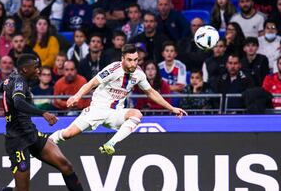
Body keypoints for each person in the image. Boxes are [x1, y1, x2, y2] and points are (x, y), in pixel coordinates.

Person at [50, 44, 187, 155]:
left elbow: (151, 92)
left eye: (136, 60)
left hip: (116, 113)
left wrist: (172, 108)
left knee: (137, 114)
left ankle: (110, 144)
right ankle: (46, 141)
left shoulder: (139, 74)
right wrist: (77, 96)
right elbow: (91, 83)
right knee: (68, 134)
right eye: (130, 60)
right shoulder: (112, 69)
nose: (133, 63)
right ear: (123, 58)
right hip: (97, 109)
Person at [0, 54, 84, 191]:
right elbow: (18, 102)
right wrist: (42, 113)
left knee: (66, 166)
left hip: (31, 132)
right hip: (17, 139)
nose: (38, 70)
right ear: (25, 69)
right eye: (36, 67)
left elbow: (1, 87)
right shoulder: (19, 81)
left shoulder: (13, 79)